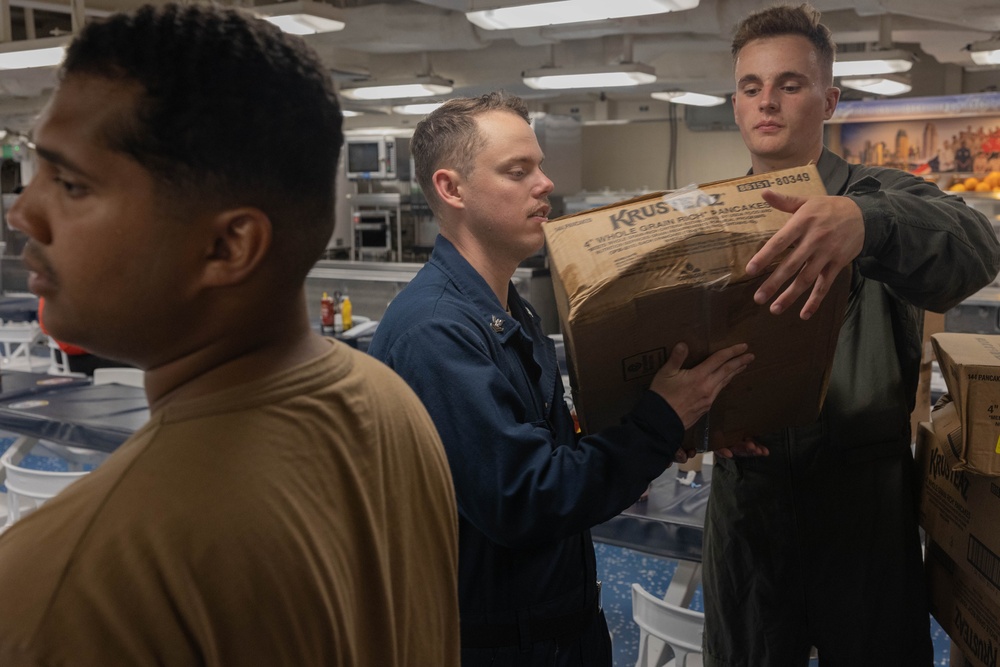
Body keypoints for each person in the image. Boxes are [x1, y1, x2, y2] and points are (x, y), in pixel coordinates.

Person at [0, 4, 460, 665]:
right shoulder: (390, 403)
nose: (22, 213)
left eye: (70, 183)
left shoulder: (58, 593)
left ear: (228, 245)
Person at [367, 91, 759, 667]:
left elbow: (551, 455)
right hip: (495, 648)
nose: (545, 183)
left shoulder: (505, 309)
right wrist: (658, 421)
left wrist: (682, 426)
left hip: (554, 632)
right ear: (451, 189)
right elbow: (528, 498)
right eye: (518, 171)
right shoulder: (435, 332)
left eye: (540, 166)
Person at [701, 5, 1000, 667]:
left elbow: (978, 246)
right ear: (736, 104)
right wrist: (694, 427)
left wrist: (867, 224)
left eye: (789, 84)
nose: (767, 102)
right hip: (750, 512)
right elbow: (661, 369)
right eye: (751, 87)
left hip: (863, 514)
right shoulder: (707, 225)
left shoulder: (880, 195)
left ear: (829, 100)